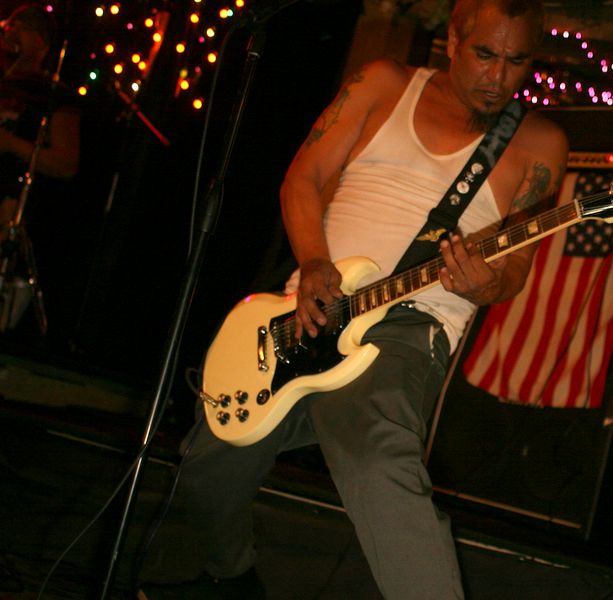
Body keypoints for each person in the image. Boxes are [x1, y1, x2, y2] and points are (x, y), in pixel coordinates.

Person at [137, 0, 568, 598]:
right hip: (311, 306)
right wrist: (314, 260)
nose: (498, 77)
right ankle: (229, 577)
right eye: (485, 54)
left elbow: (515, 268)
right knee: (211, 455)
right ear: (452, 40)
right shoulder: (384, 83)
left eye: (516, 61)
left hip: (410, 325)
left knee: (376, 460)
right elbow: (303, 178)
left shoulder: (539, 141)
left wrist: (485, 284)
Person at [0, 3, 80, 337]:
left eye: (24, 28)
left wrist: (10, 144)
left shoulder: (52, 98)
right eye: (11, 26)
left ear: (43, 43)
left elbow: (66, 163)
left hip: (13, 202)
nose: (13, 34)